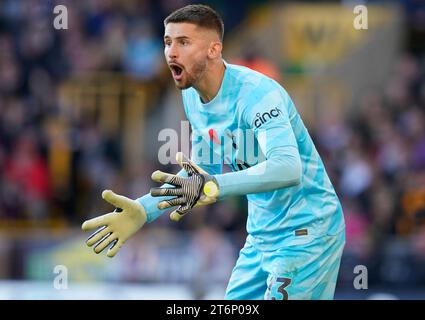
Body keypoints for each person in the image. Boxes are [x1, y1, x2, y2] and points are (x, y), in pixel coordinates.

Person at [82, 4, 346, 300]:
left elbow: (287, 167)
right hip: (261, 236)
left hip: (307, 231)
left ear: (213, 49)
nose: (171, 52)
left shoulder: (258, 94)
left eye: (183, 42)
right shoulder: (192, 98)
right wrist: (145, 209)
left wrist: (215, 186)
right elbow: (201, 175)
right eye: (168, 42)